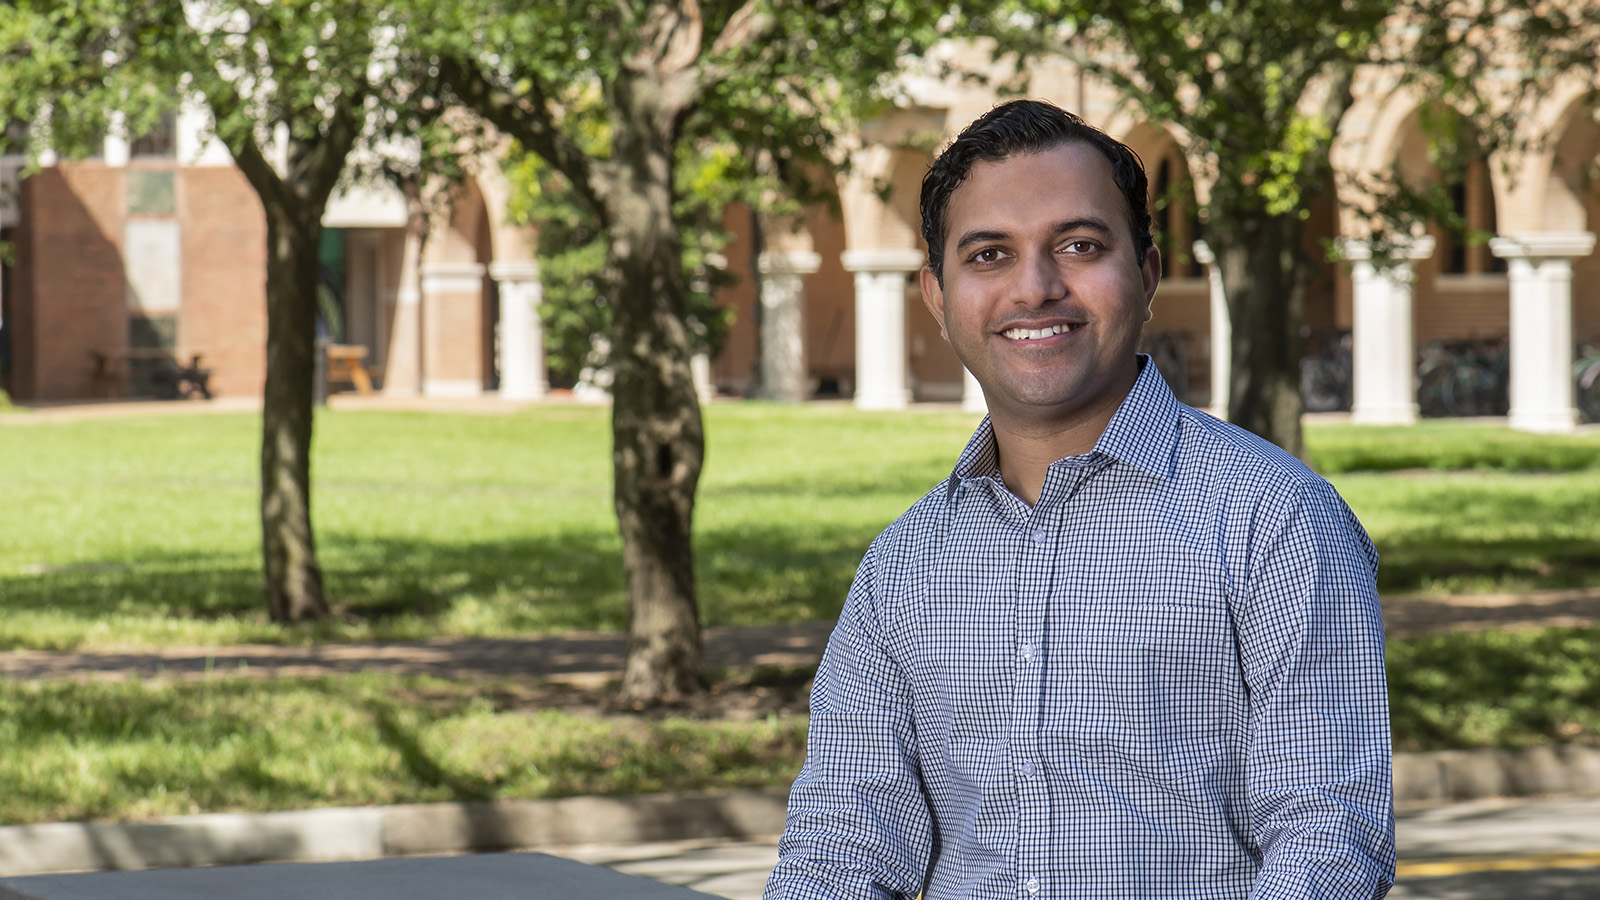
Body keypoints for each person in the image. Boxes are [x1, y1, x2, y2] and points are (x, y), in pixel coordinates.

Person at [764, 99, 1394, 899]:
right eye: (989, 254)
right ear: (937, 294)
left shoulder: (1275, 521)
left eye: (1080, 245)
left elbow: (1330, 839)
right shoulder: (902, 567)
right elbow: (842, 848)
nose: (1036, 287)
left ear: (1148, 274)